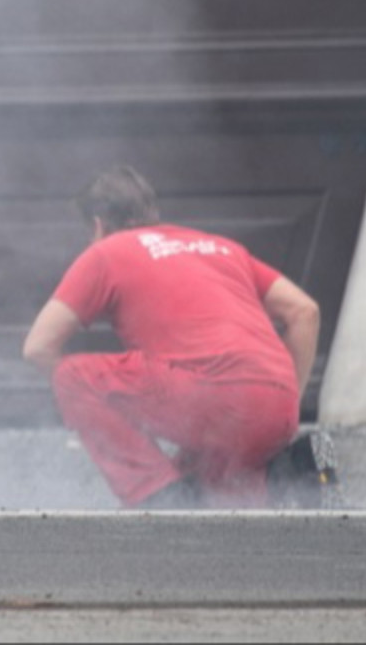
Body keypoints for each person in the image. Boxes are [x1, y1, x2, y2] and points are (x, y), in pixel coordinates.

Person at [23, 165, 321, 508]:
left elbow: (38, 347)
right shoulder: (220, 246)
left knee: (72, 377)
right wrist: (284, 408)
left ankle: (160, 499)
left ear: (97, 225)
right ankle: (288, 474)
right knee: (198, 468)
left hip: (208, 401)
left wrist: (112, 413)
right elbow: (305, 312)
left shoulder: (105, 252)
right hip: (274, 411)